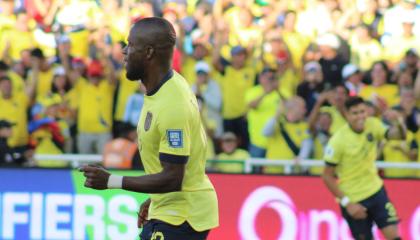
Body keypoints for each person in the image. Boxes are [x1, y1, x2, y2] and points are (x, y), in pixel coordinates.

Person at [80, 17, 218, 240]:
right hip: (169, 208)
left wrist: (111, 181)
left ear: (149, 52)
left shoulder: (172, 104)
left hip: (183, 215)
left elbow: (174, 177)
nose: (124, 51)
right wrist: (155, 197)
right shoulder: (164, 86)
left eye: (131, 44)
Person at [322, 96, 406, 240]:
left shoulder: (373, 125)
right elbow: (327, 176)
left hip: (376, 192)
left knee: (395, 237)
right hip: (354, 199)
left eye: (363, 112)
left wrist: (398, 121)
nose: (360, 116)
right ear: (346, 114)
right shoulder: (338, 141)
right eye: (355, 113)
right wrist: (347, 204)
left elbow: (399, 135)